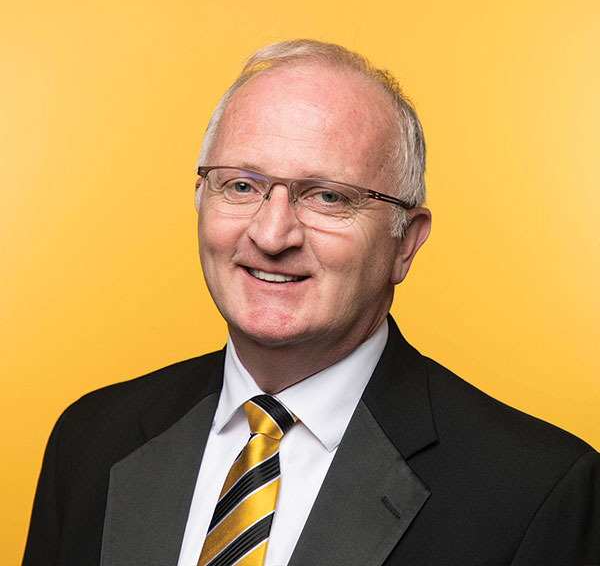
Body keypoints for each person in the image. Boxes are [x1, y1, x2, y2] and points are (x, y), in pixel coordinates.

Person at [23, 39, 599, 566]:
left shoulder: (538, 492)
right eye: (241, 185)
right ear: (201, 200)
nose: (272, 236)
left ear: (407, 241)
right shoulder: (92, 440)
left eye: (327, 196)